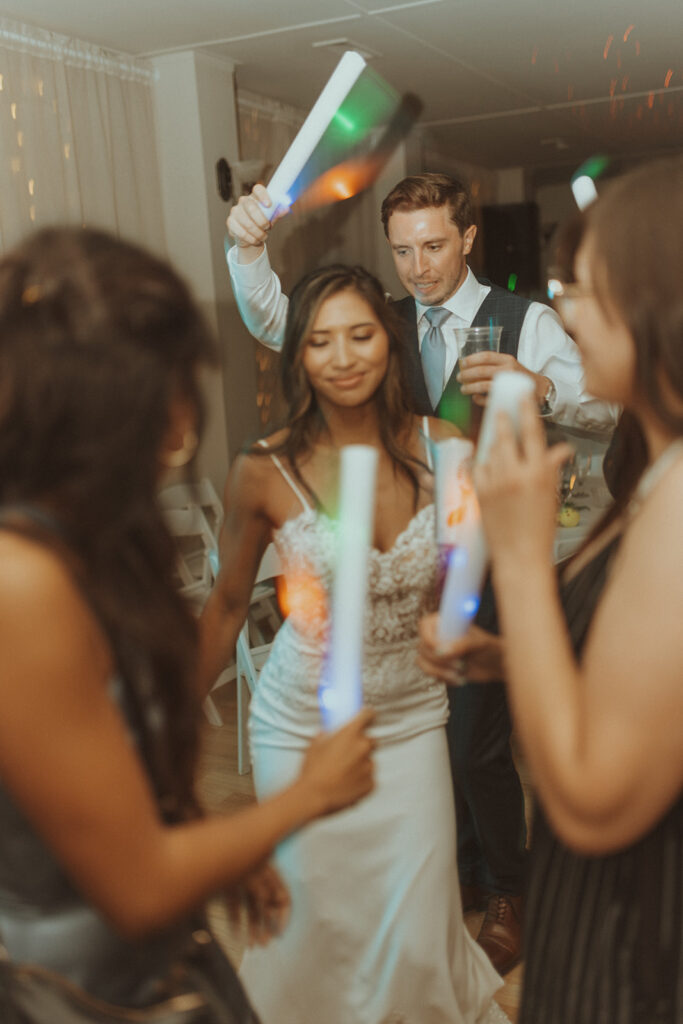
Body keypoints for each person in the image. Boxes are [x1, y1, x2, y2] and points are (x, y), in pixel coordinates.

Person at [225, 171, 619, 972]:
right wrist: (247, 249)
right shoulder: (383, 323)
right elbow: (279, 321)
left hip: (497, 555)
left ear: (467, 239)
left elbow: (602, 404)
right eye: (402, 251)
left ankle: (507, 889)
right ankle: (459, 876)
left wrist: (536, 386)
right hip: (400, 565)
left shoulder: (525, 320)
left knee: (476, 737)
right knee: (433, 733)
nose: (418, 267)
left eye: (433, 246)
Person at [0, 226, 377, 1022]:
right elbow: (136, 890)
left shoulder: (93, 537)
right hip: (78, 995)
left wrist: (215, 847)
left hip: (160, 969)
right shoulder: (20, 580)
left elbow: (119, 759)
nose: (182, 425)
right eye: (164, 386)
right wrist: (302, 798)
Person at [199, 263, 510, 1023]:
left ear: (389, 341)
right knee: (314, 928)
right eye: (320, 341)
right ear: (297, 355)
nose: (343, 357)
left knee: (413, 933)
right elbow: (227, 606)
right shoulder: (262, 469)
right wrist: (164, 739)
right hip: (302, 728)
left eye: (361, 335)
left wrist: (455, 619)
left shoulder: (445, 449)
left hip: (409, 723)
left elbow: (462, 583)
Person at [418, 155, 683, 1022]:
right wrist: (497, 653)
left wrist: (523, 557)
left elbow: (589, 797)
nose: (560, 310)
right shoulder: (650, 467)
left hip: (630, 923)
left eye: (582, 288)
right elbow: (619, 680)